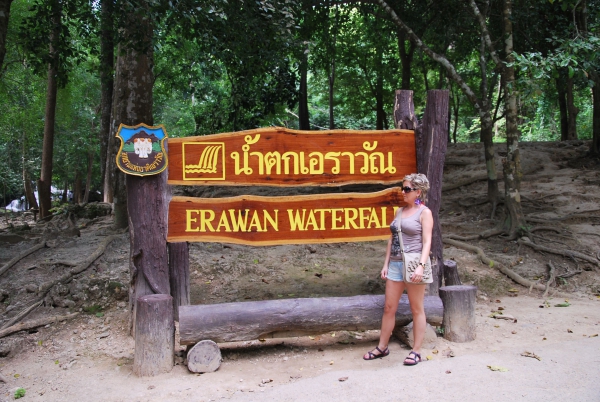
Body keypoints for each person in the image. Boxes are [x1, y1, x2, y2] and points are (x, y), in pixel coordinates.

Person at [363, 173, 433, 366]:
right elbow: (391, 239)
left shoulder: (424, 212)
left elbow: (427, 241)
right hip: (395, 264)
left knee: (416, 308)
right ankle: (382, 347)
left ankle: (416, 350)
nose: (403, 192)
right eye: (402, 188)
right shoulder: (400, 212)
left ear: (418, 191)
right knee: (389, 308)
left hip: (413, 264)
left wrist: (421, 266)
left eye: (407, 189)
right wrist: (385, 264)